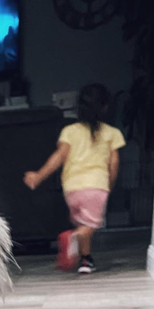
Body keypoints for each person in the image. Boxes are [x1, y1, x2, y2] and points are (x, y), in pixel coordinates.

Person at [24, 83, 125, 274]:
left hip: (72, 188)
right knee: (90, 226)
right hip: (96, 185)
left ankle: (86, 261)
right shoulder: (112, 133)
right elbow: (114, 165)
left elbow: (58, 157)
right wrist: (108, 185)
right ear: (104, 107)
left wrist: (38, 176)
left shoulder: (70, 131)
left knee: (83, 222)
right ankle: (73, 237)